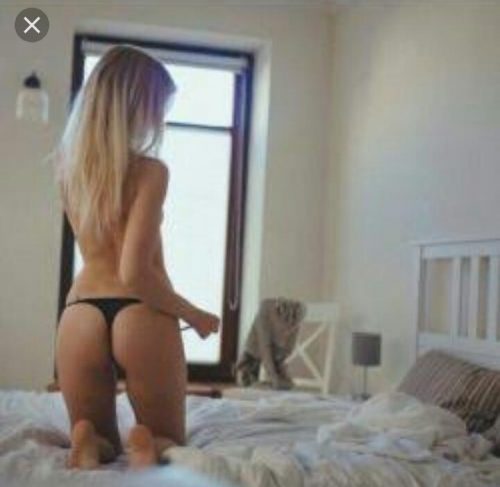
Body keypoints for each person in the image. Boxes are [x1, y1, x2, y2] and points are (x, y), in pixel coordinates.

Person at [53, 45, 219, 469]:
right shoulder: (150, 171)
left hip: (79, 313)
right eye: (159, 106)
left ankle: (88, 439)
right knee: (168, 436)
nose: (160, 118)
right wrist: (195, 314)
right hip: (139, 312)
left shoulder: (68, 170)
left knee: (99, 435)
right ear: (138, 105)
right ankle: (148, 443)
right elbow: (134, 272)